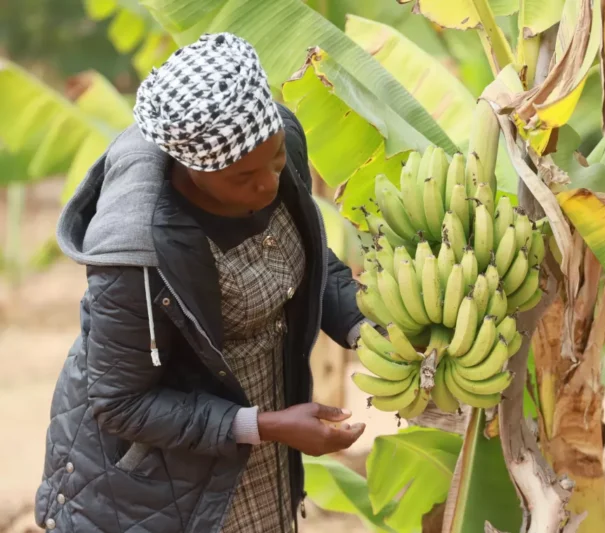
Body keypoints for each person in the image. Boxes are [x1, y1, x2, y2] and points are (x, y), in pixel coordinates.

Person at [34, 32, 370, 533]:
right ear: (191, 170)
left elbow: (309, 264)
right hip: (153, 485)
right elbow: (120, 403)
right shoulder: (135, 248)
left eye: (275, 159)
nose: (269, 184)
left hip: (259, 453)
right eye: (244, 177)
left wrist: (365, 330)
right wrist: (265, 425)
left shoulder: (277, 140)